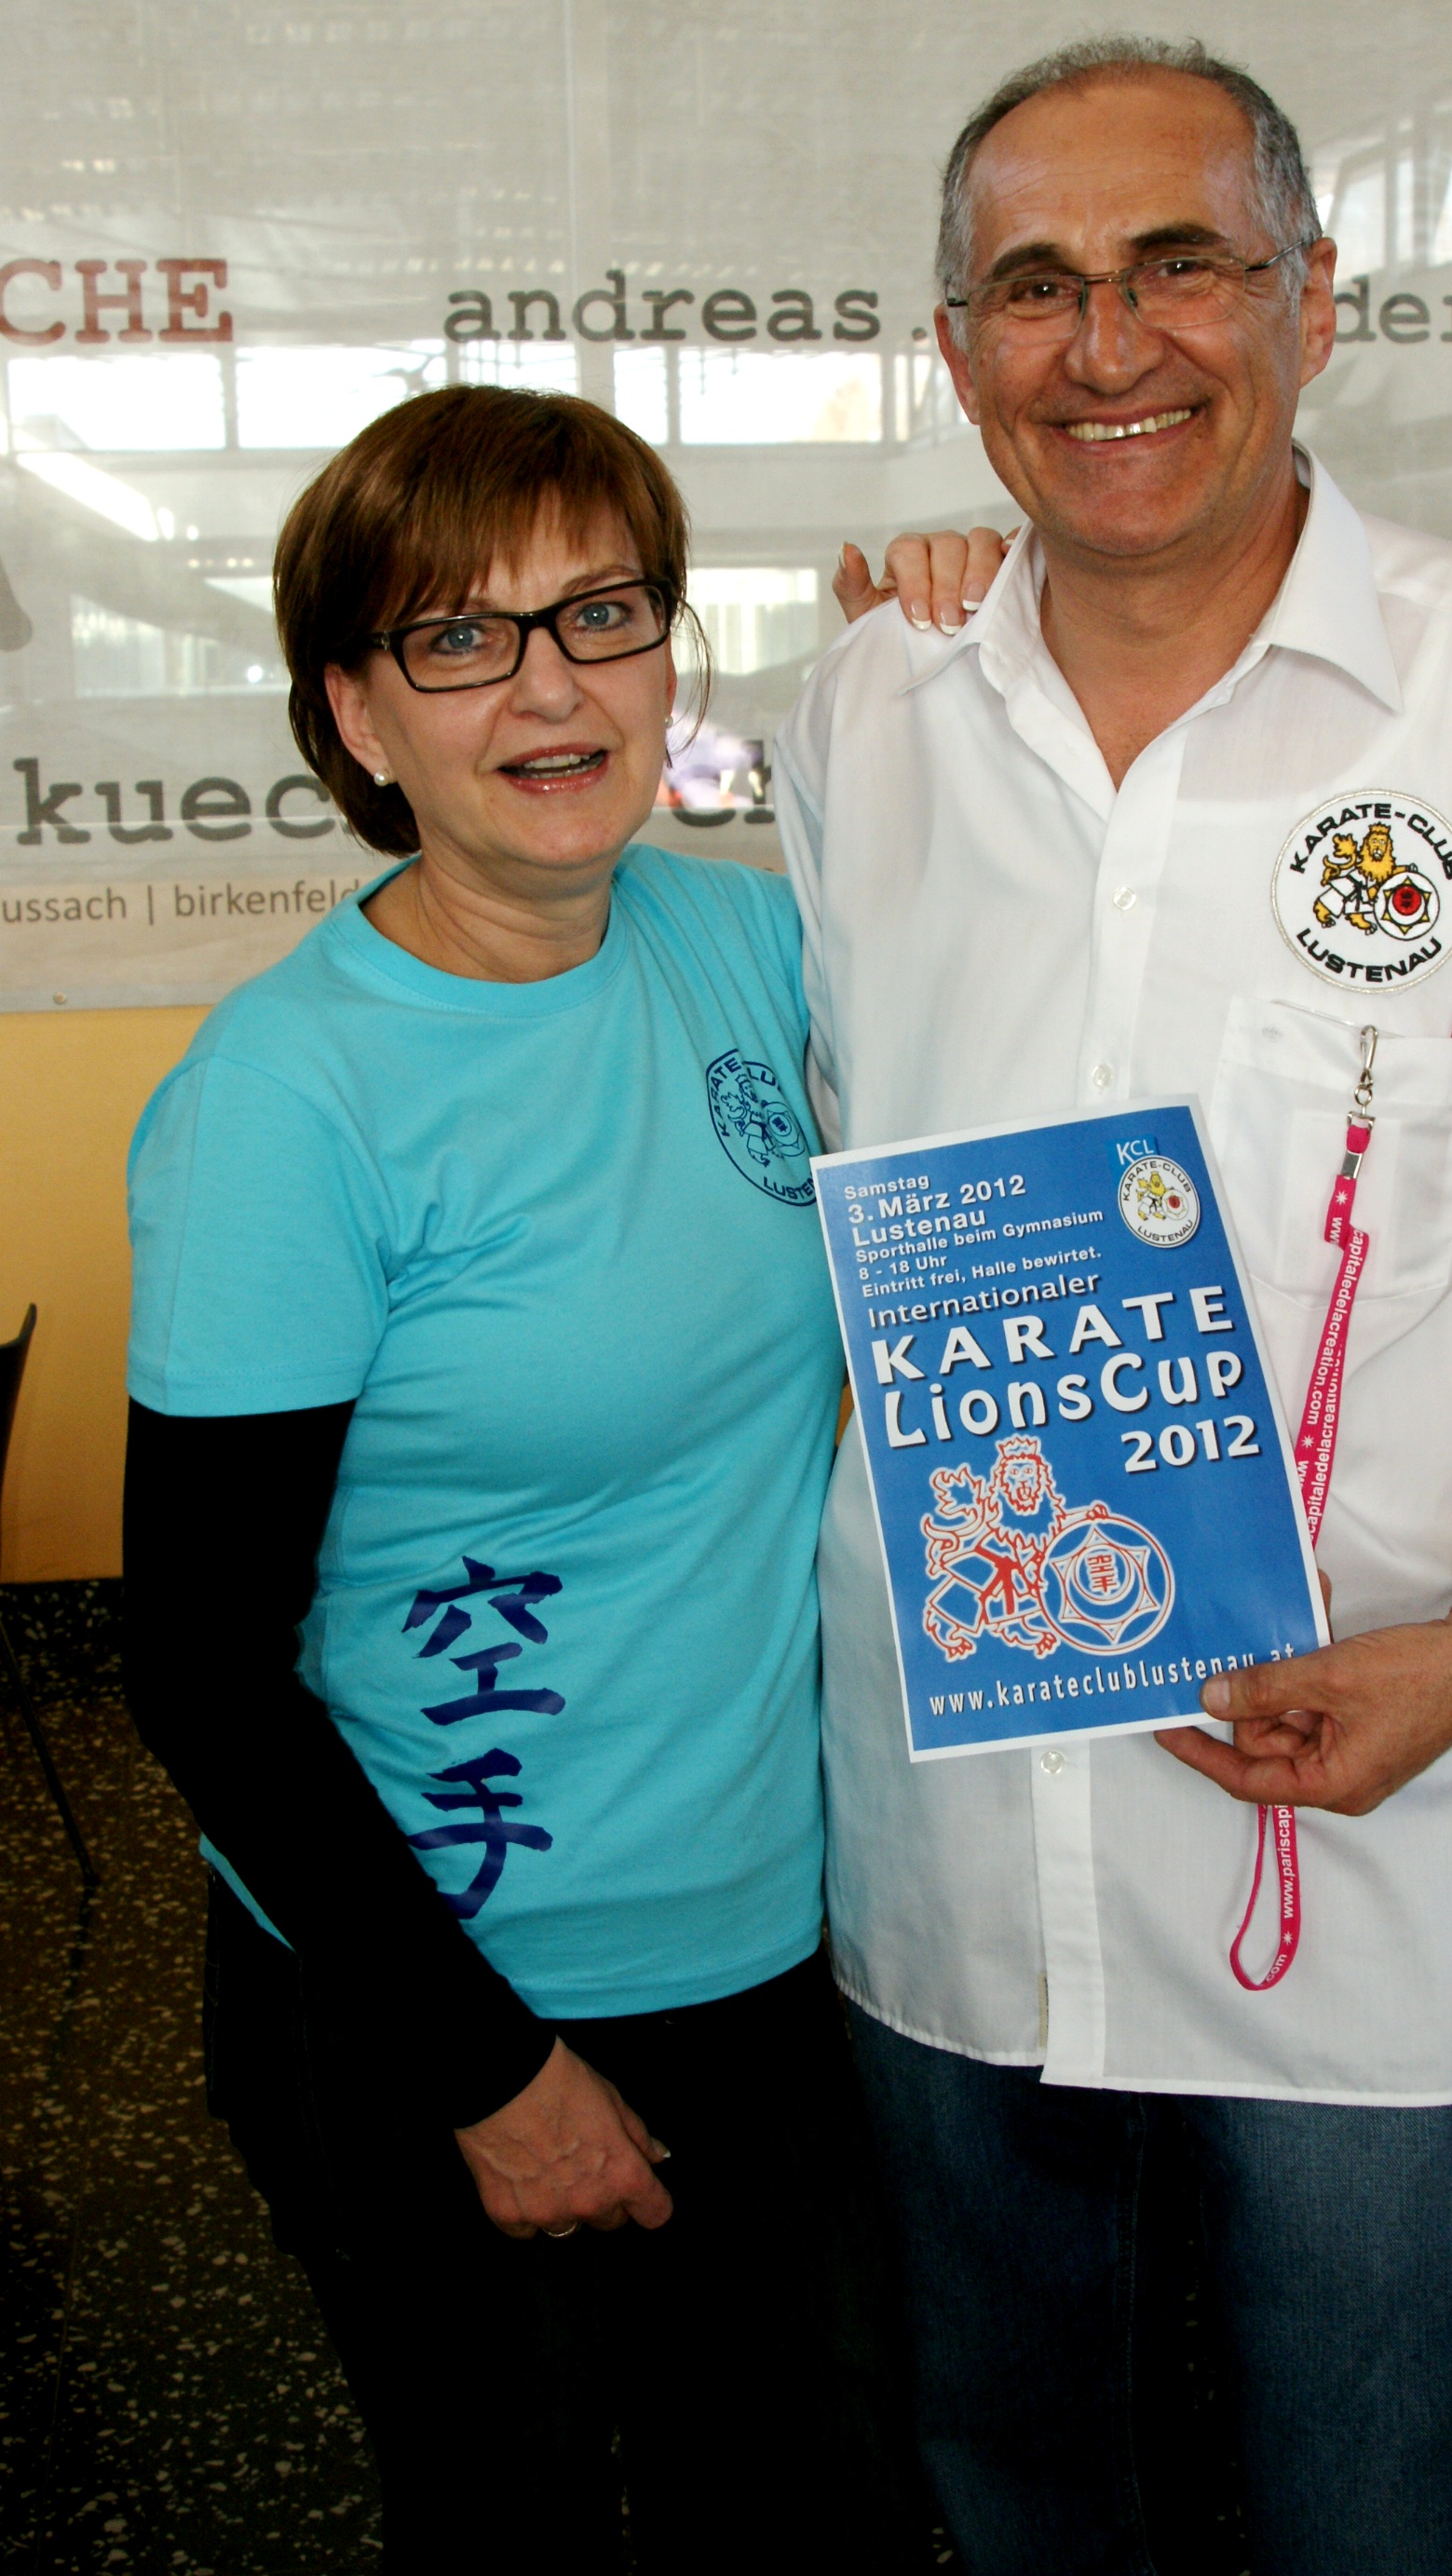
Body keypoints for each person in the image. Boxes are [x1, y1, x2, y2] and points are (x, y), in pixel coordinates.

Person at [782, 36, 1452, 2576]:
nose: (1106, 342)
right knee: (1004, 2481)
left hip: (1374, 1839)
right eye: (1035, 286)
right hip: (958, 1826)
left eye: (1181, 265)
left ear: (1313, 303)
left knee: (1369, 2514)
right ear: (956, 352)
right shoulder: (869, 711)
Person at [122, 382, 920, 2573]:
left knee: (818, 2514)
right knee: (516, 2526)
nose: (552, 685)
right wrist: (487, 2068)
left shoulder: (742, 946)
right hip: (445, 1983)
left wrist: (969, 635)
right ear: (356, 715)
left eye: (601, 612)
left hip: (764, 1943)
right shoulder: (290, 1101)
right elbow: (198, 1663)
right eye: (462, 637)